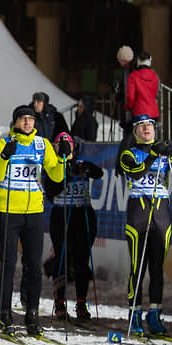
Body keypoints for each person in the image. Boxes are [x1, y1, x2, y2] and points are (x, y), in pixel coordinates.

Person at [0, 105, 65, 335]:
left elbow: (56, 175)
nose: (27, 123)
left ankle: (32, 315)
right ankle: (5, 313)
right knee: (9, 264)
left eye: (30, 119)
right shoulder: (5, 143)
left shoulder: (42, 144)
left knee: (34, 266)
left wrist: (62, 157)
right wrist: (4, 157)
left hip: (33, 211)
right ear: (15, 122)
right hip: (8, 210)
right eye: (22, 119)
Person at [119, 115, 172, 335]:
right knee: (138, 267)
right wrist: (151, 155)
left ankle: (155, 315)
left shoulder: (164, 151)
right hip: (139, 210)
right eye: (142, 126)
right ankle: (135, 315)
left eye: (150, 125)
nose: (147, 128)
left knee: (157, 268)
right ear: (135, 131)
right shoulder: (129, 153)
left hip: (161, 211)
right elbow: (135, 172)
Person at [42, 133, 103, 322]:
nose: (65, 148)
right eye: (61, 145)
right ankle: (59, 302)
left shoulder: (80, 162)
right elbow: (51, 191)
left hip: (82, 213)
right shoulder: (52, 167)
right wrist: (64, 175)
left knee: (82, 260)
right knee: (62, 258)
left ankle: (81, 302)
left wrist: (84, 169)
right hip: (62, 214)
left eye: (68, 144)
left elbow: (98, 173)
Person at [125, 51, 160, 124]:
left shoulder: (133, 76)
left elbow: (130, 97)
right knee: (150, 134)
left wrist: (128, 107)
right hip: (153, 112)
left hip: (139, 112)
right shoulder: (154, 76)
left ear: (138, 61)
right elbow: (155, 93)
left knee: (138, 134)